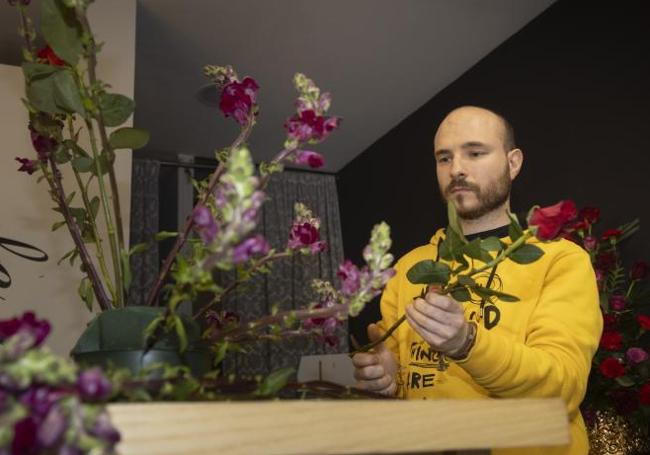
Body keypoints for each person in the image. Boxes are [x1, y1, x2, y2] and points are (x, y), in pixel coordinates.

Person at [352, 106, 602, 455]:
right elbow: (404, 375)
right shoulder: (413, 265)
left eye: (475, 153)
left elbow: (562, 389)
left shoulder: (560, 260)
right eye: (444, 158)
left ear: (513, 163)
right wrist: (388, 381)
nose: (456, 169)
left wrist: (466, 344)